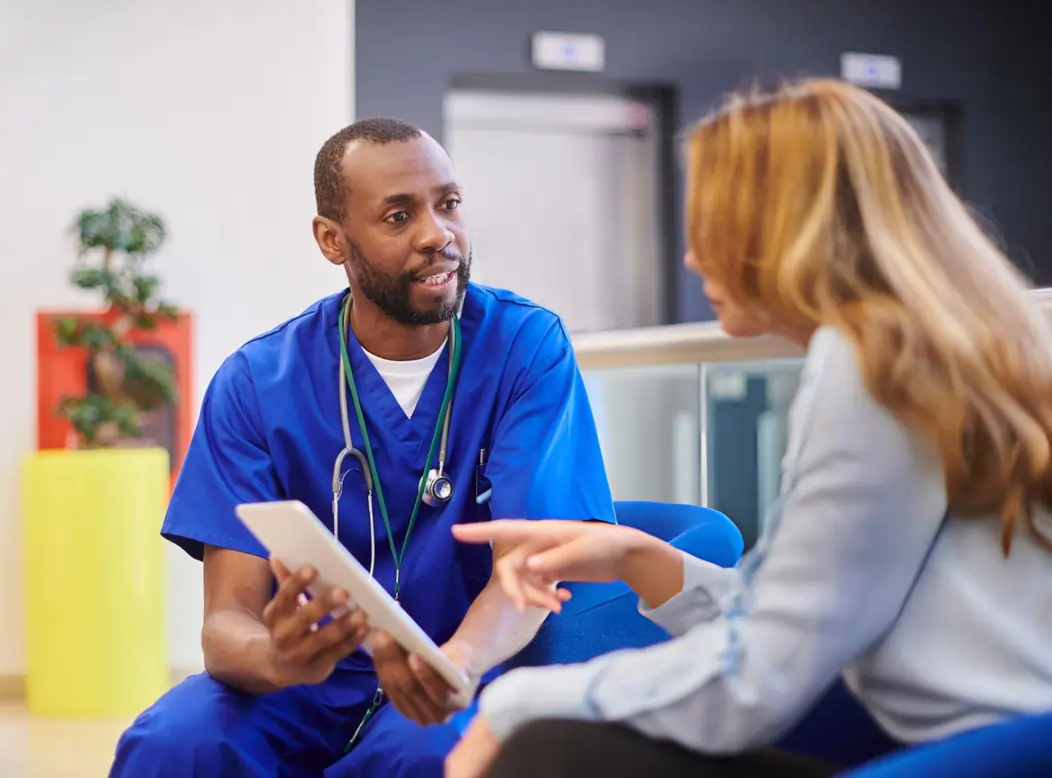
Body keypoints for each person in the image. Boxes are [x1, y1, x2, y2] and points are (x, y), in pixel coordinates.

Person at [443, 77, 1052, 778]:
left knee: (544, 751)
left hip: (985, 756)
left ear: (787, 226)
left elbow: (763, 672)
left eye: (713, 225)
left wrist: (516, 701)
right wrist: (632, 557)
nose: (693, 257)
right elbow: (799, 616)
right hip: (973, 736)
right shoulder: (936, 346)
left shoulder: (870, 366)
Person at [108, 117, 615, 777]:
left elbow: (526, 575)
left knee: (432, 751)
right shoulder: (258, 383)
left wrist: (453, 666)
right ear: (332, 240)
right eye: (399, 216)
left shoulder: (524, 349)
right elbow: (227, 623)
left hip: (465, 662)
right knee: (172, 744)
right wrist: (278, 659)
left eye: (449, 204)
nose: (439, 235)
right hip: (306, 680)